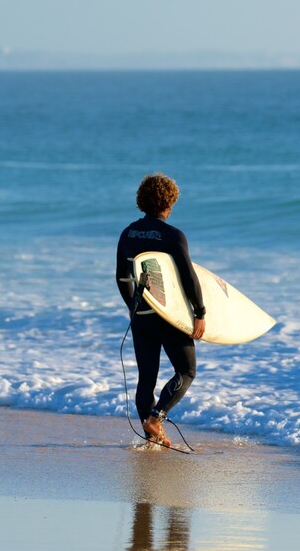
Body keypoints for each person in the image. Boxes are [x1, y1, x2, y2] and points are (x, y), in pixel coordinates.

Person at [115, 173, 205, 448]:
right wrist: (200, 312)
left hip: (142, 314)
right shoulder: (173, 235)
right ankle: (156, 417)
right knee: (186, 371)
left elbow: (122, 276)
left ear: (142, 201)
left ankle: (151, 437)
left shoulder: (128, 233)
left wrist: (133, 306)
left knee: (146, 378)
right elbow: (188, 277)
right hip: (168, 315)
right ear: (169, 202)